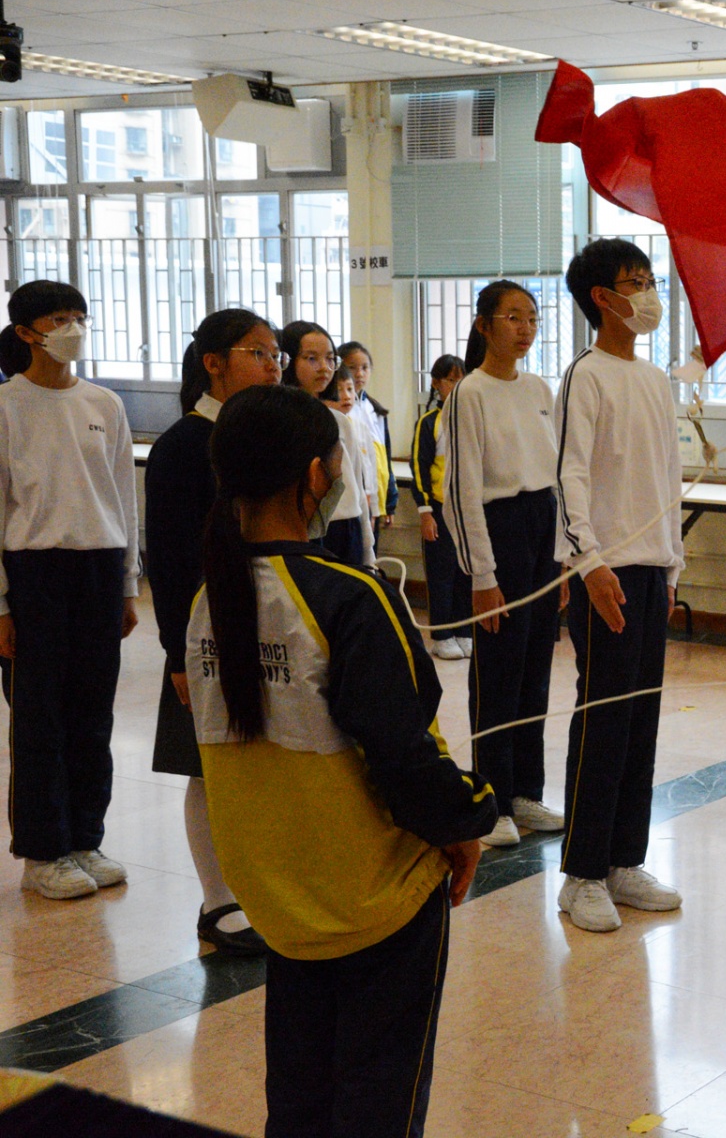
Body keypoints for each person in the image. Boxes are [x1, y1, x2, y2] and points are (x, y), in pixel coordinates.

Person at [186, 383, 495, 1138]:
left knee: (300, 1097)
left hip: (282, 899)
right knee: (377, 1103)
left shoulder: (208, 598)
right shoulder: (350, 595)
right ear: (316, 476)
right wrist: (469, 818)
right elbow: (403, 754)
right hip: (372, 894)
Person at [552, 239, 684, 932]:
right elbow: (569, 474)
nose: (650, 293)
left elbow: (667, 476)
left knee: (640, 720)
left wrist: (673, 564)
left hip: (651, 567)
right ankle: (581, 873)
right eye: (636, 282)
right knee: (603, 719)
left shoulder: (655, 379)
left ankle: (625, 860)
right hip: (604, 570)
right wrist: (590, 563)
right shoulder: (586, 375)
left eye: (651, 279)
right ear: (602, 298)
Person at [145, 308, 282, 953]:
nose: (273, 365)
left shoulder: (261, 436)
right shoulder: (183, 446)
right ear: (214, 363)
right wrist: (178, 650)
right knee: (207, 766)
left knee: (261, 759)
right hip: (204, 628)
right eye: (258, 353)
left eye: (276, 354)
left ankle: (257, 887)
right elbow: (169, 558)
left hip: (265, 617)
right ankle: (217, 901)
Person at [0, 280, 139, 900]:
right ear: (27, 331)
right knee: (40, 717)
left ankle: (85, 838)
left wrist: (128, 584)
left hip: (100, 567)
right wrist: (1, 604)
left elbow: (123, 498)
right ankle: (42, 851)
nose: (73, 329)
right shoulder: (7, 405)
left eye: (80, 316)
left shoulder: (104, 403)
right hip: (34, 570)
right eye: (60, 318)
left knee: (92, 712)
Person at [441, 282, 566, 850]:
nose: (525, 328)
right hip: (501, 530)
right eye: (513, 317)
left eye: (532, 318)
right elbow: (461, 493)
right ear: (483, 325)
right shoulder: (469, 394)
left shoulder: (539, 389)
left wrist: (562, 559)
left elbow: (558, 477)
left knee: (535, 666)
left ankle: (525, 792)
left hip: (542, 530)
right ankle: (492, 799)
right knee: (498, 671)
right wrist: (482, 576)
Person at [280, 320, 375, 568]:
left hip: (347, 527)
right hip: (306, 530)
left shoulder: (339, 421)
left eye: (330, 359)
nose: (324, 367)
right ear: (287, 360)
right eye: (312, 358)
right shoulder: (279, 421)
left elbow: (356, 485)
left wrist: (368, 550)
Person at [409, 355, 469, 663]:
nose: (457, 386)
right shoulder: (429, 423)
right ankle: (442, 636)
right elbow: (419, 468)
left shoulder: (471, 418)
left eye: (462, 380)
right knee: (441, 574)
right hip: (439, 509)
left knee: (465, 571)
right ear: (436, 383)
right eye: (451, 380)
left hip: (466, 510)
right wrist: (425, 512)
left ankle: (464, 630)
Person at [338, 342, 399, 551]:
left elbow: (383, 460)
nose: (359, 373)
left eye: (365, 367)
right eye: (352, 367)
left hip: (375, 499)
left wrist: (389, 502)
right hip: (352, 501)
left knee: (371, 554)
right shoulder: (342, 410)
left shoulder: (375, 410)